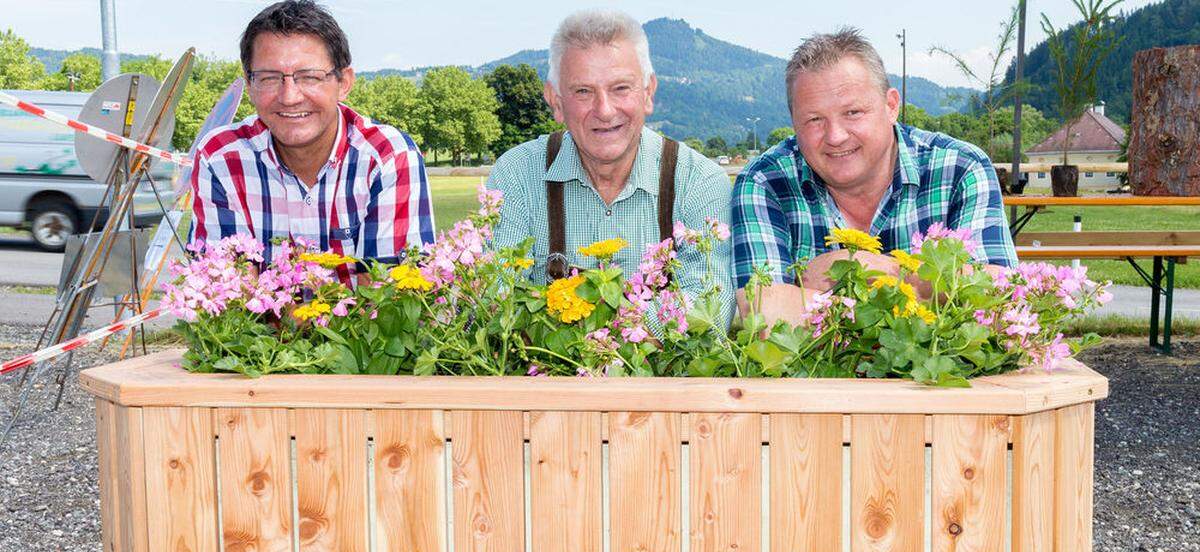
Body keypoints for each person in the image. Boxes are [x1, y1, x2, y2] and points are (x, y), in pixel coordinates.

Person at [731, 28, 1017, 325]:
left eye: (853, 112)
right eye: (815, 119)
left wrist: (857, 268)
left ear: (891, 106)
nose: (836, 136)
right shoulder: (765, 181)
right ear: (794, 122)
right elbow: (766, 316)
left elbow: (1001, 302)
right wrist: (931, 293)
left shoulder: (960, 168)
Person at [487, 9, 735, 328]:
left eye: (620, 88)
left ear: (648, 93)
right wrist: (644, 327)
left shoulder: (698, 180)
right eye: (583, 91)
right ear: (556, 100)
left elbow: (711, 305)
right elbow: (494, 302)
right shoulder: (516, 175)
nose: (604, 110)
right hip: (550, 380)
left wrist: (593, 333)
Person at [189, 0, 435, 285]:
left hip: (366, 330)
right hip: (268, 332)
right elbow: (228, 298)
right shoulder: (220, 159)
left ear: (344, 83)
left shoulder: (388, 156)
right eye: (269, 78)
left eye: (310, 77)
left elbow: (389, 300)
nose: (290, 96)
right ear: (249, 86)